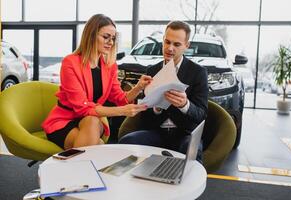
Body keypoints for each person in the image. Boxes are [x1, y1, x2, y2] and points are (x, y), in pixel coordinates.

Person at [42, 14, 152, 150]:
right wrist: (121, 111)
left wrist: (138, 87)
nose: (110, 42)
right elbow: (83, 107)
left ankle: (71, 170)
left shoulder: (110, 66)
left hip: (91, 122)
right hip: (64, 122)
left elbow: (119, 98)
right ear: (91, 35)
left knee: (92, 122)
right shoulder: (70, 62)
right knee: (97, 146)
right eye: (106, 37)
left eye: (113, 38)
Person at [119, 21, 208, 162]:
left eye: (176, 44)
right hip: (157, 132)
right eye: (167, 42)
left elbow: (201, 114)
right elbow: (143, 115)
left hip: (183, 133)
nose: (170, 48)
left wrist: (184, 104)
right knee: (126, 141)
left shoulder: (198, 72)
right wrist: (156, 108)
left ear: (187, 46)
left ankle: (187, 183)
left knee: (191, 148)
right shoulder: (152, 71)